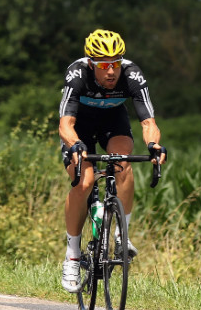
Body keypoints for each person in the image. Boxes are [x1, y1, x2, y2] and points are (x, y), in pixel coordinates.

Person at [58, 29, 168, 293]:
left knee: (122, 162)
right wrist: (75, 145)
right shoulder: (77, 75)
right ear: (90, 64)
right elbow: (65, 124)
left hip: (112, 122)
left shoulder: (133, 75)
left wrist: (153, 145)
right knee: (83, 182)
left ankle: (121, 237)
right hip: (79, 128)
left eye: (116, 63)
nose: (111, 71)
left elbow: (148, 122)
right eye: (104, 65)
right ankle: (72, 257)